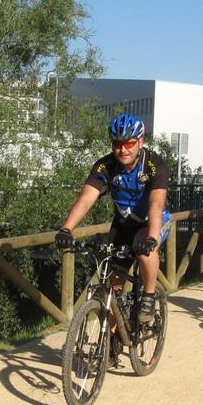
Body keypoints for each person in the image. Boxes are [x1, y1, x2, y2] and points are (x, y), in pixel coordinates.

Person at [55, 113, 171, 325]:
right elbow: (86, 198)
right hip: (123, 224)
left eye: (129, 143)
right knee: (111, 289)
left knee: (145, 251)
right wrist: (66, 228)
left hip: (153, 222)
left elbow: (156, 203)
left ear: (140, 142)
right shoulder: (105, 166)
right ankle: (111, 338)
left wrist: (152, 238)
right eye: (117, 144)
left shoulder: (154, 165)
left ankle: (148, 296)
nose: (123, 149)